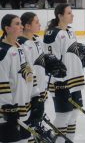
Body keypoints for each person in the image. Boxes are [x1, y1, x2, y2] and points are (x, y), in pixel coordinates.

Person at [43, 4, 85, 143]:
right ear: (60, 16)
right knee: (63, 115)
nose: (72, 15)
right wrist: (57, 76)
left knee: (74, 113)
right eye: (68, 13)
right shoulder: (52, 33)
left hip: (75, 78)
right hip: (61, 81)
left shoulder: (70, 31)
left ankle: (68, 140)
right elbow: (50, 59)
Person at [0, 14, 35, 142]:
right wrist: (7, 107)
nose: (21, 26)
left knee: (25, 139)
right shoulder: (3, 51)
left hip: (23, 104)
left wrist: (34, 96)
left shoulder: (20, 47)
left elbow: (28, 72)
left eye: (21, 23)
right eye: (17, 24)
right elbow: (2, 82)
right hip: (9, 108)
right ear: (7, 28)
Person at [18, 12, 48, 142]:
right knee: (28, 128)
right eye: (36, 22)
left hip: (40, 90)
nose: (40, 24)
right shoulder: (22, 44)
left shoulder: (37, 40)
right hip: (29, 94)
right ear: (28, 26)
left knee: (37, 126)